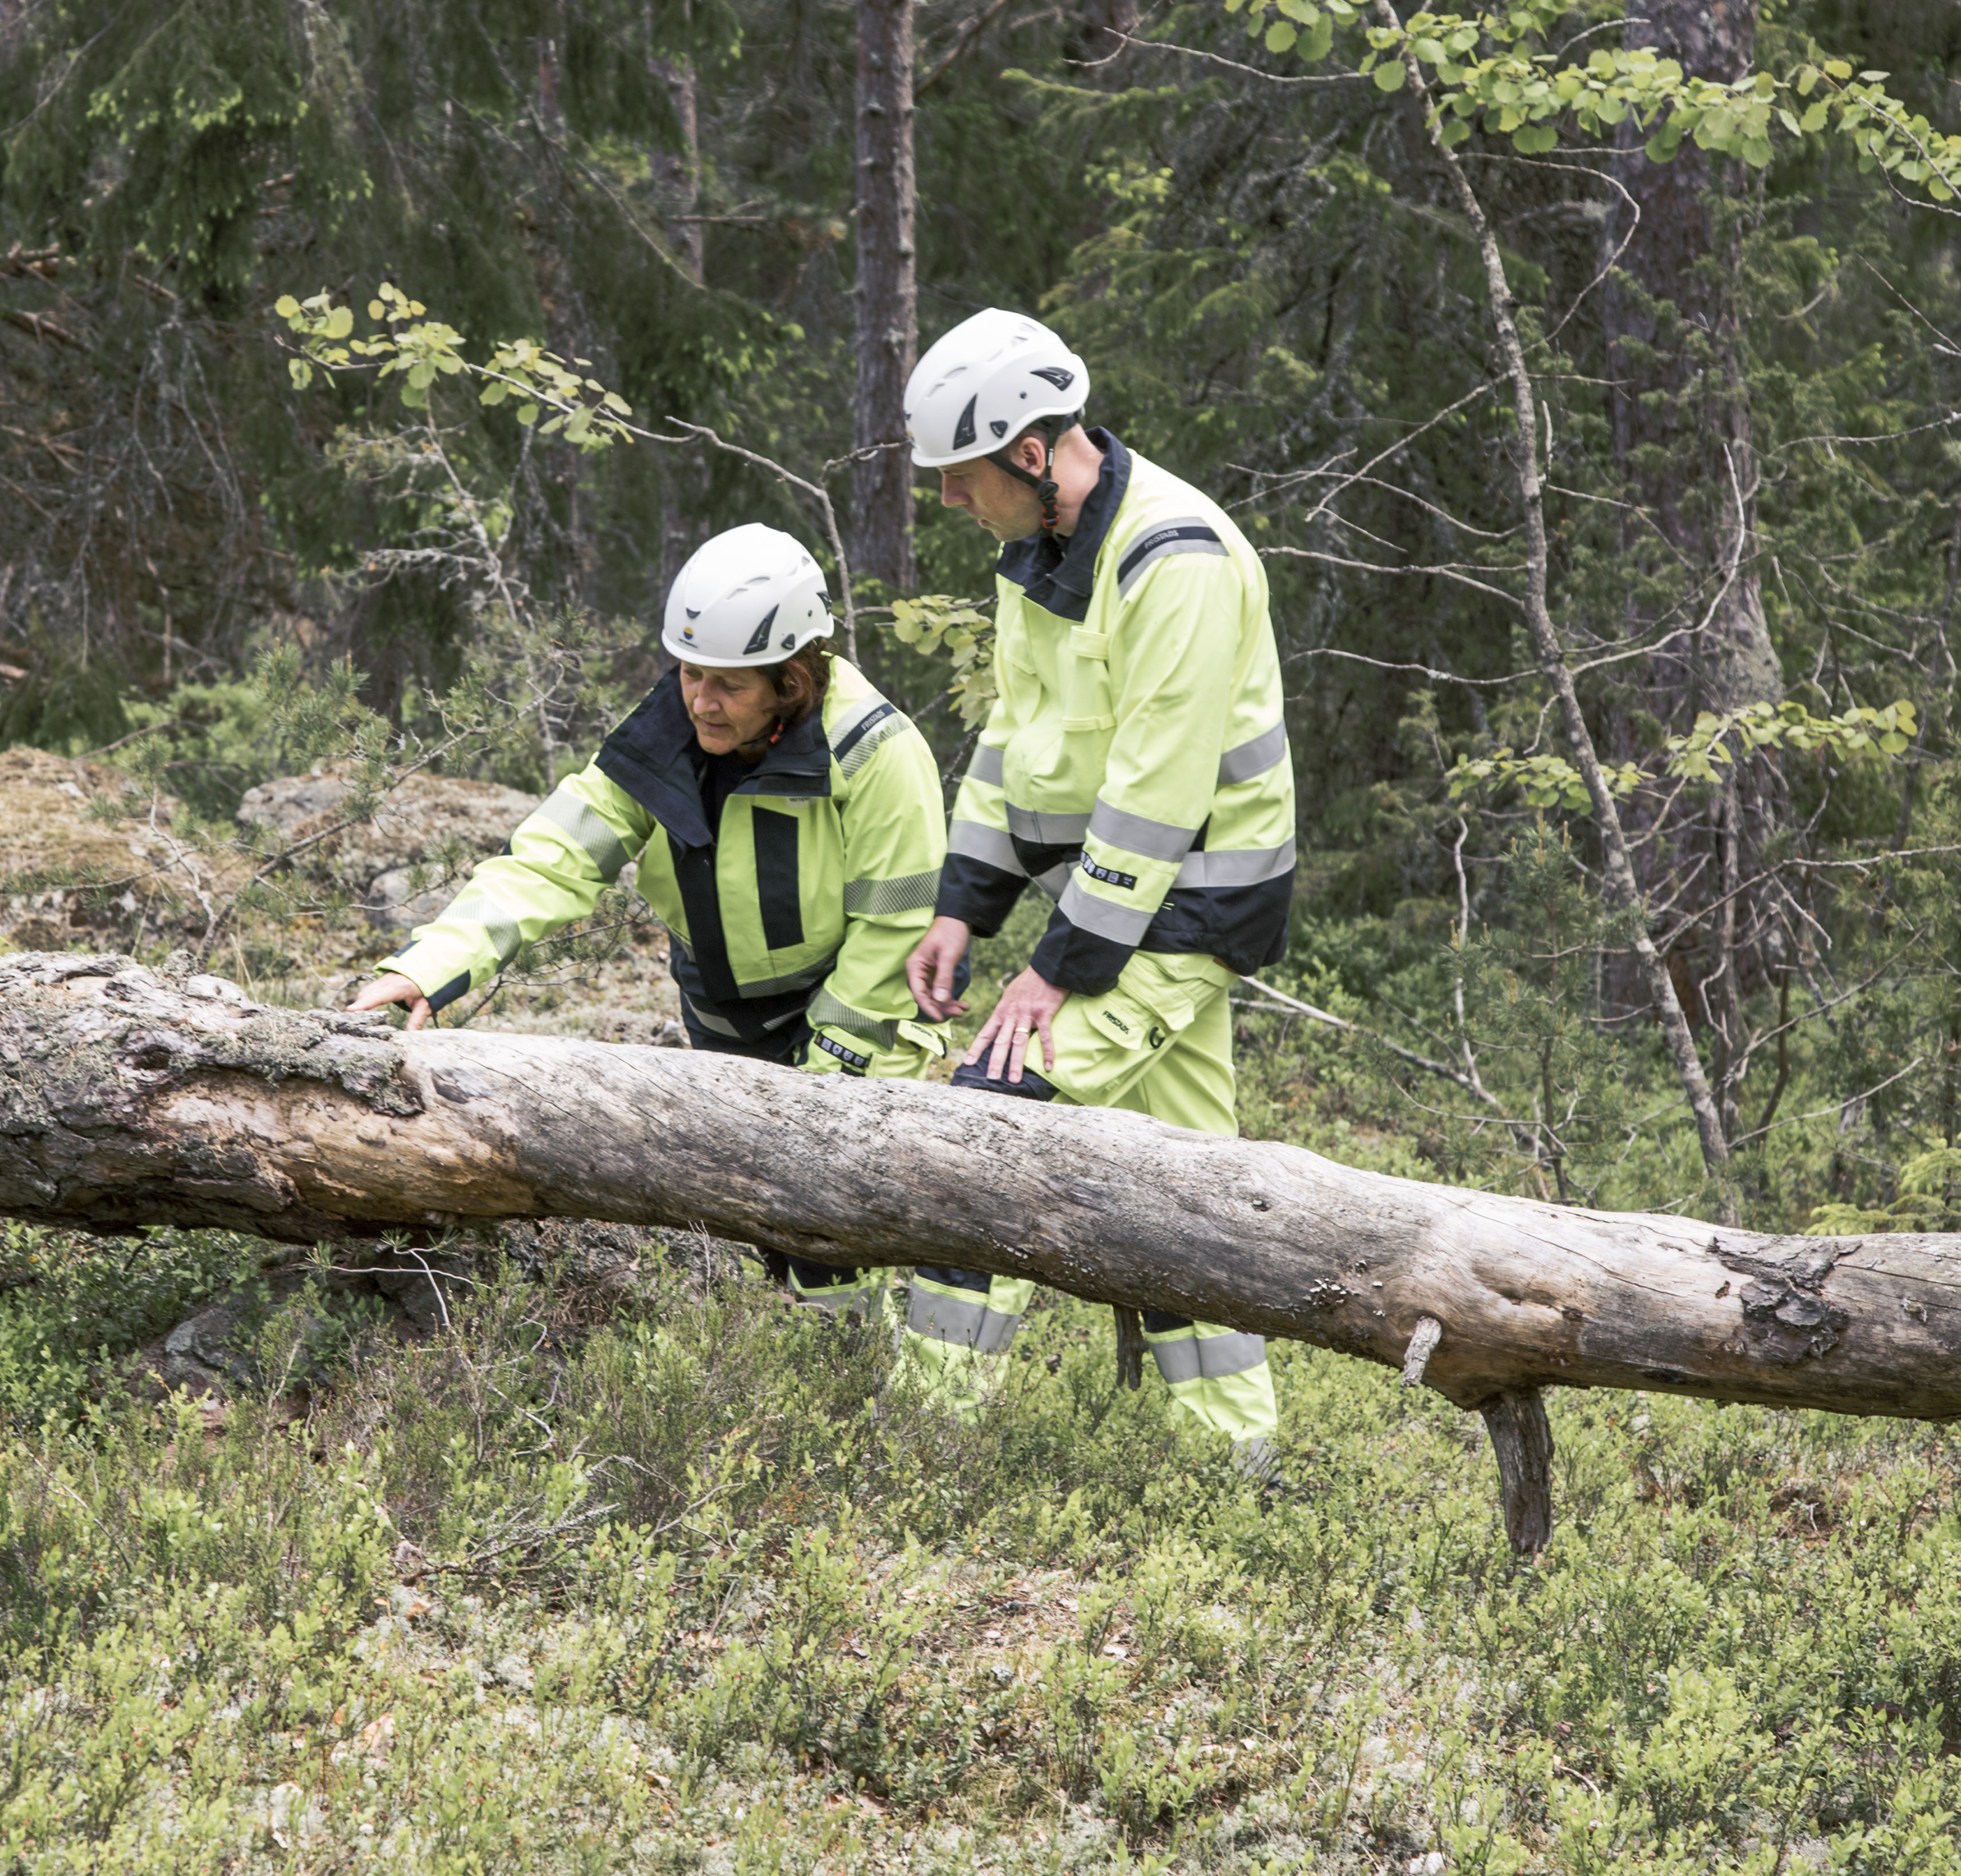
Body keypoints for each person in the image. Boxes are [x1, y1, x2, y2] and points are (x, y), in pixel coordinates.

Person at [350, 524, 952, 1319]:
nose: (701, 700)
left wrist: (825, 1076)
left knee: (826, 1239)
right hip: (721, 1013)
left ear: (791, 680)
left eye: (729, 685)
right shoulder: (665, 732)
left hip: (846, 1017)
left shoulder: (876, 753)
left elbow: (893, 931)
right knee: (753, 1234)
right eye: (689, 673)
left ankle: (861, 1410)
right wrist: (427, 966)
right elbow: (554, 857)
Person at [895, 308, 1298, 1457]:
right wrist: (963, 903)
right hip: (1127, 908)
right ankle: (1239, 1465)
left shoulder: (1178, 558)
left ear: (1032, 453)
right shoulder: (1037, 554)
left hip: (1185, 913)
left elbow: (1156, 797)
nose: (946, 502)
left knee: (981, 1134)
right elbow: (1019, 737)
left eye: (960, 478)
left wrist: (1053, 975)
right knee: (1192, 1201)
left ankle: (929, 1441)